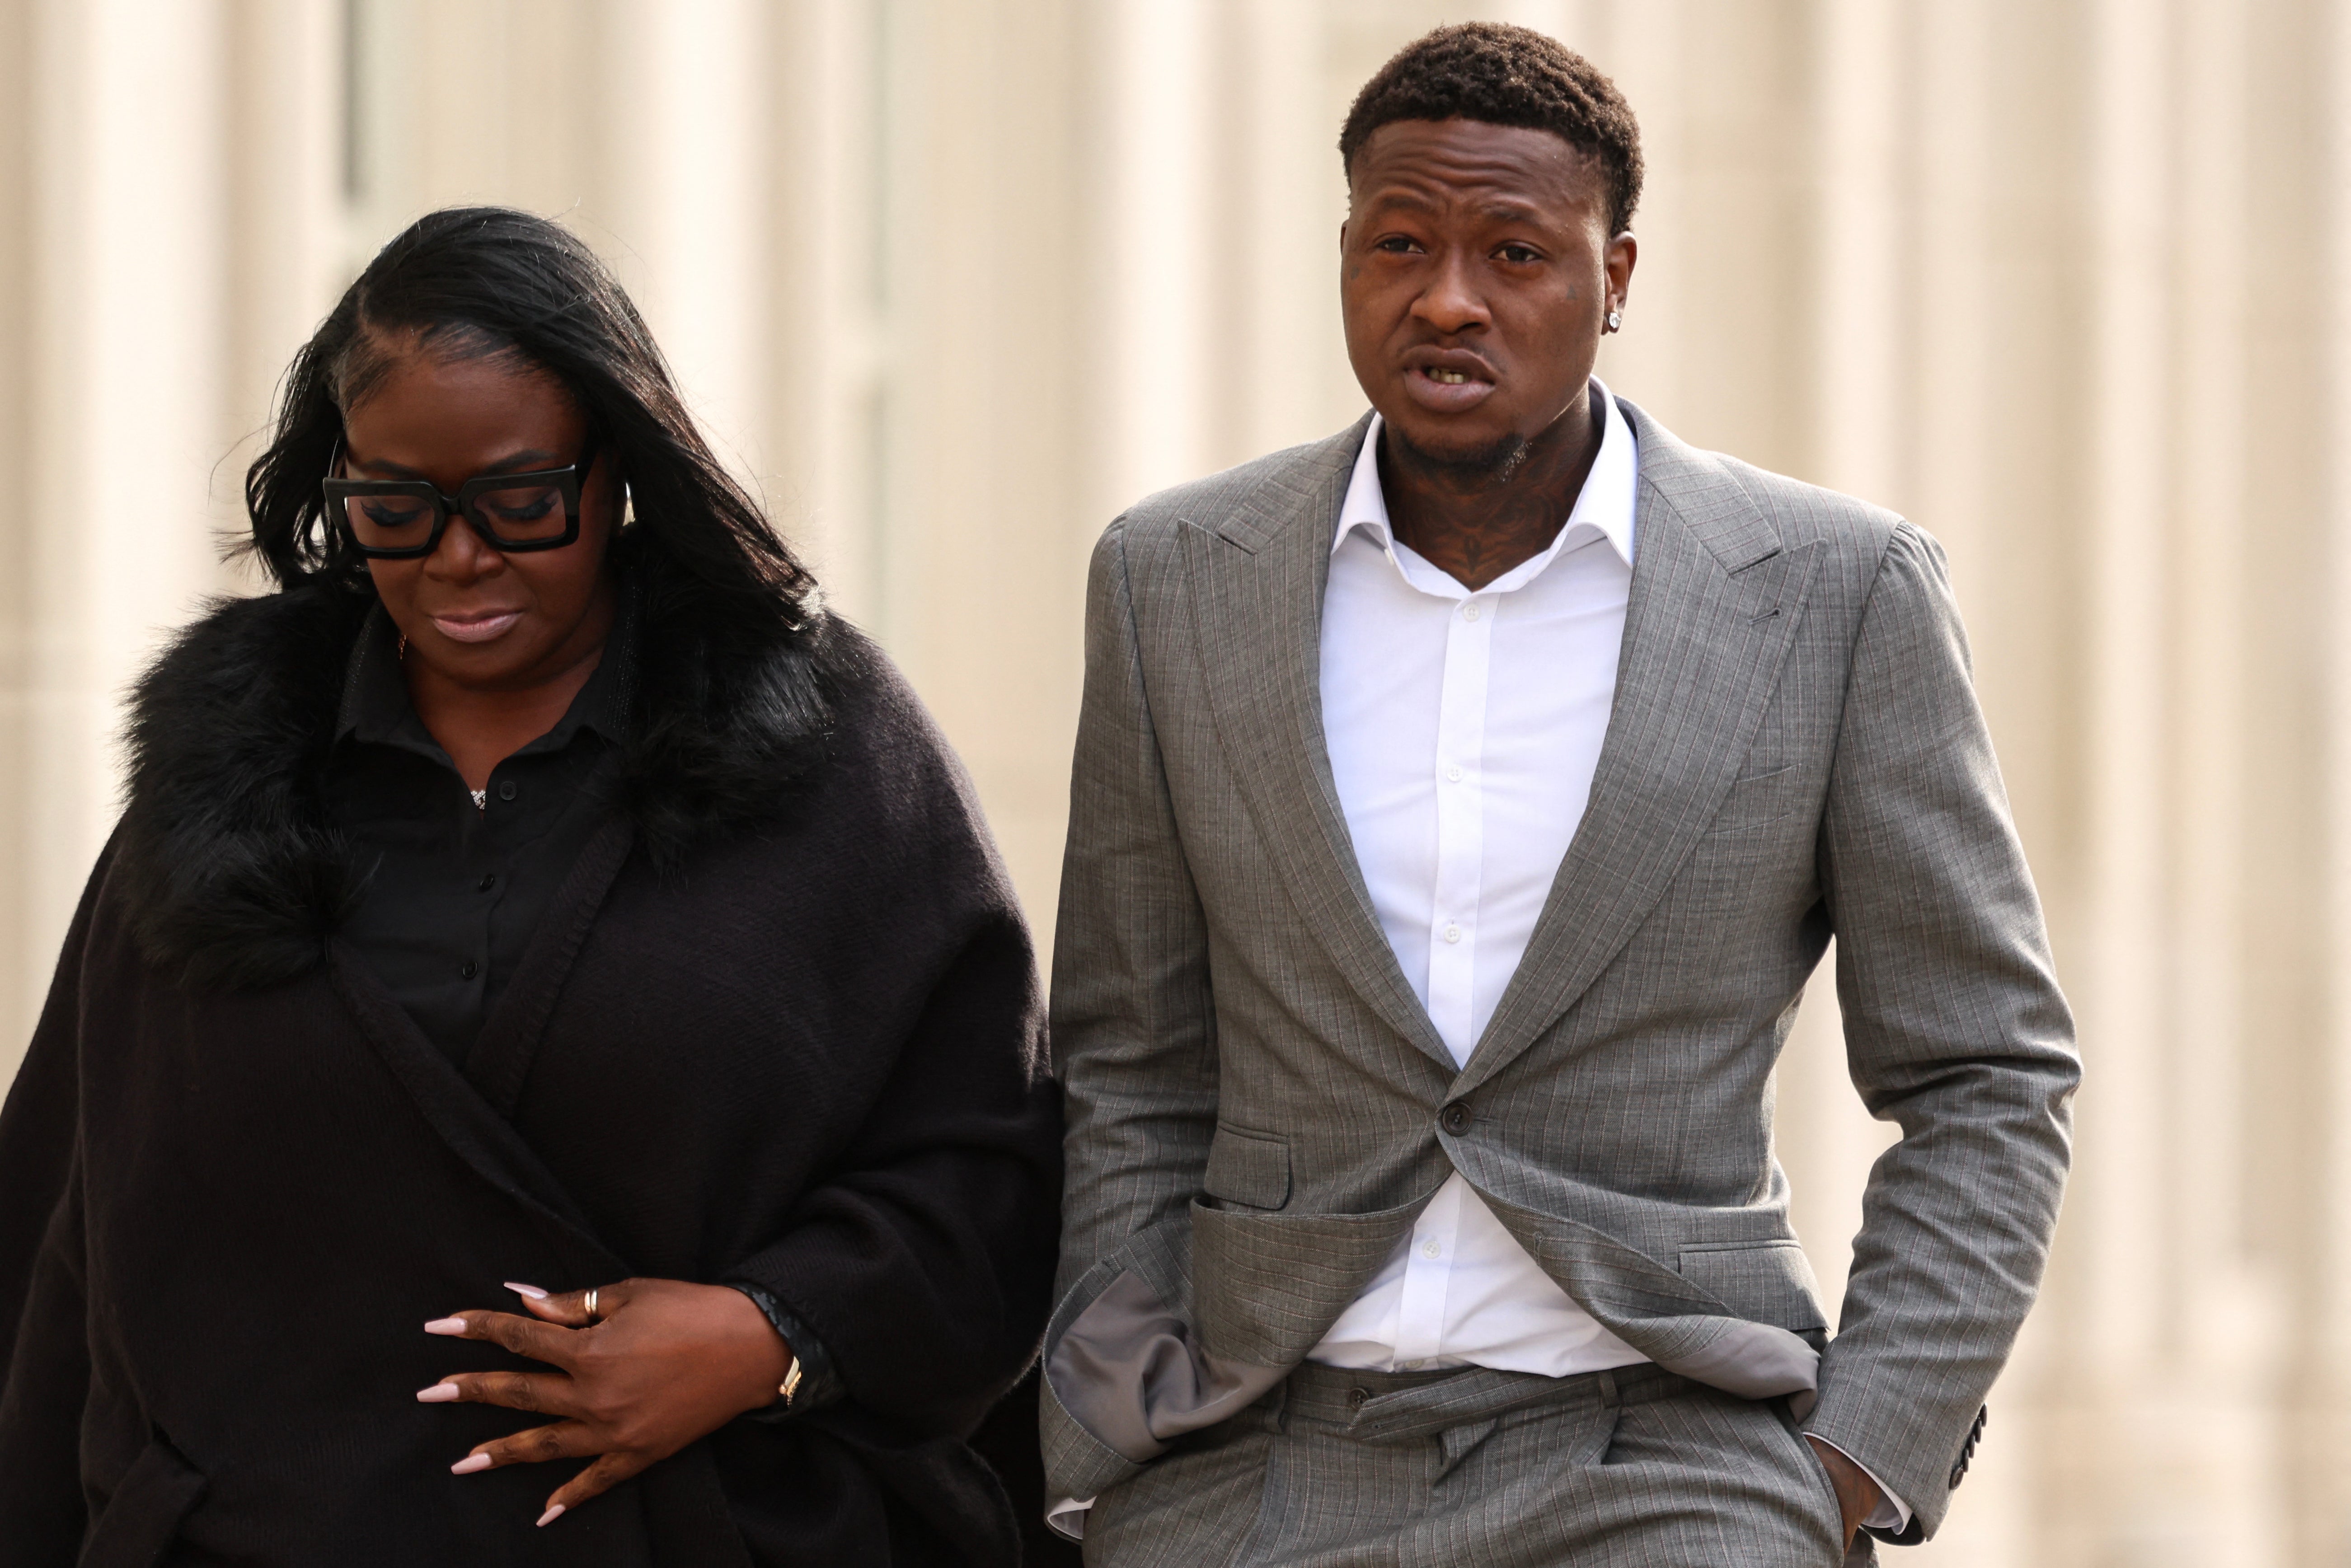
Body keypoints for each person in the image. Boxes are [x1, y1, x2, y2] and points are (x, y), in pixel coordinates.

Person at [1042, 24, 2077, 1567]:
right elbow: (1130, 1053)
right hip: (1253, 1452)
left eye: (1514, 251)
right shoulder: (1177, 580)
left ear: (1615, 279)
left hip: (1664, 1451)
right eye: (1401, 242)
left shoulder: (1831, 593)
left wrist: (1859, 1454)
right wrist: (1109, 1428)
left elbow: (1984, 1072)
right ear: (1345, 256)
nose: (1446, 295)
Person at [0, 206, 1062, 1567]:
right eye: (393, 507)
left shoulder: (826, 747)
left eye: (517, 501)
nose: (456, 558)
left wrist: (773, 1337)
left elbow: (990, 1169)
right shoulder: (225, 783)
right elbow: (67, 1222)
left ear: (617, 471)